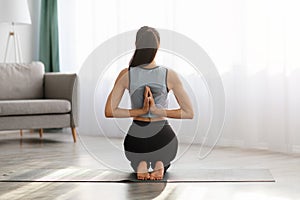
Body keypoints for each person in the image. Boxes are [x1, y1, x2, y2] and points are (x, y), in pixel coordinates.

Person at [105, 26, 194, 180]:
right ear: (157, 46)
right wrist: (157, 111)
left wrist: (140, 111)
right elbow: (189, 113)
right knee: (164, 154)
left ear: (136, 45)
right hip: (164, 139)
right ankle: (161, 163)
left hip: (136, 138)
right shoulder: (169, 74)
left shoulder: (126, 74)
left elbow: (109, 111)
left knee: (137, 154)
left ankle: (141, 163)